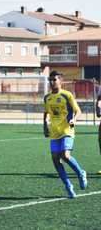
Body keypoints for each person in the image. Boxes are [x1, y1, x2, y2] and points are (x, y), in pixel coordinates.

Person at [43, 70, 87, 198]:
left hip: (67, 130)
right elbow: (46, 113)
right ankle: (68, 185)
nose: (52, 82)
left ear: (60, 81)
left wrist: (74, 119)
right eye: (50, 80)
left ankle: (80, 173)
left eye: (54, 80)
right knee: (55, 160)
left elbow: (78, 111)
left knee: (65, 156)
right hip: (54, 132)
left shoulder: (67, 95)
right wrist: (45, 126)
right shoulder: (47, 97)